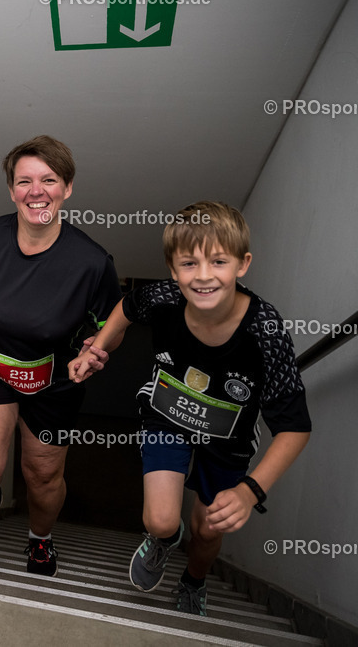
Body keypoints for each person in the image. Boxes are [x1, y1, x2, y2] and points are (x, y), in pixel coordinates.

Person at [67, 201, 311, 614]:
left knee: (206, 527)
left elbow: (295, 427)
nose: (202, 276)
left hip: (228, 440)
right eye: (188, 263)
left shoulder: (266, 332)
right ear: (171, 267)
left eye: (218, 261)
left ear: (242, 264)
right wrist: (98, 347)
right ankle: (163, 541)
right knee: (160, 521)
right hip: (166, 418)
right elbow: (126, 309)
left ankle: (194, 581)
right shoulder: (162, 298)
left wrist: (251, 491)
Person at [0, 135, 122, 576]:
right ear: (12, 190)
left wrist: (96, 350)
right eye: (24, 181)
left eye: (49, 180)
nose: (36, 191)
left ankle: (40, 539)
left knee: (41, 478)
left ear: (67, 188)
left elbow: (112, 323)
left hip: (54, 380)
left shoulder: (91, 263)